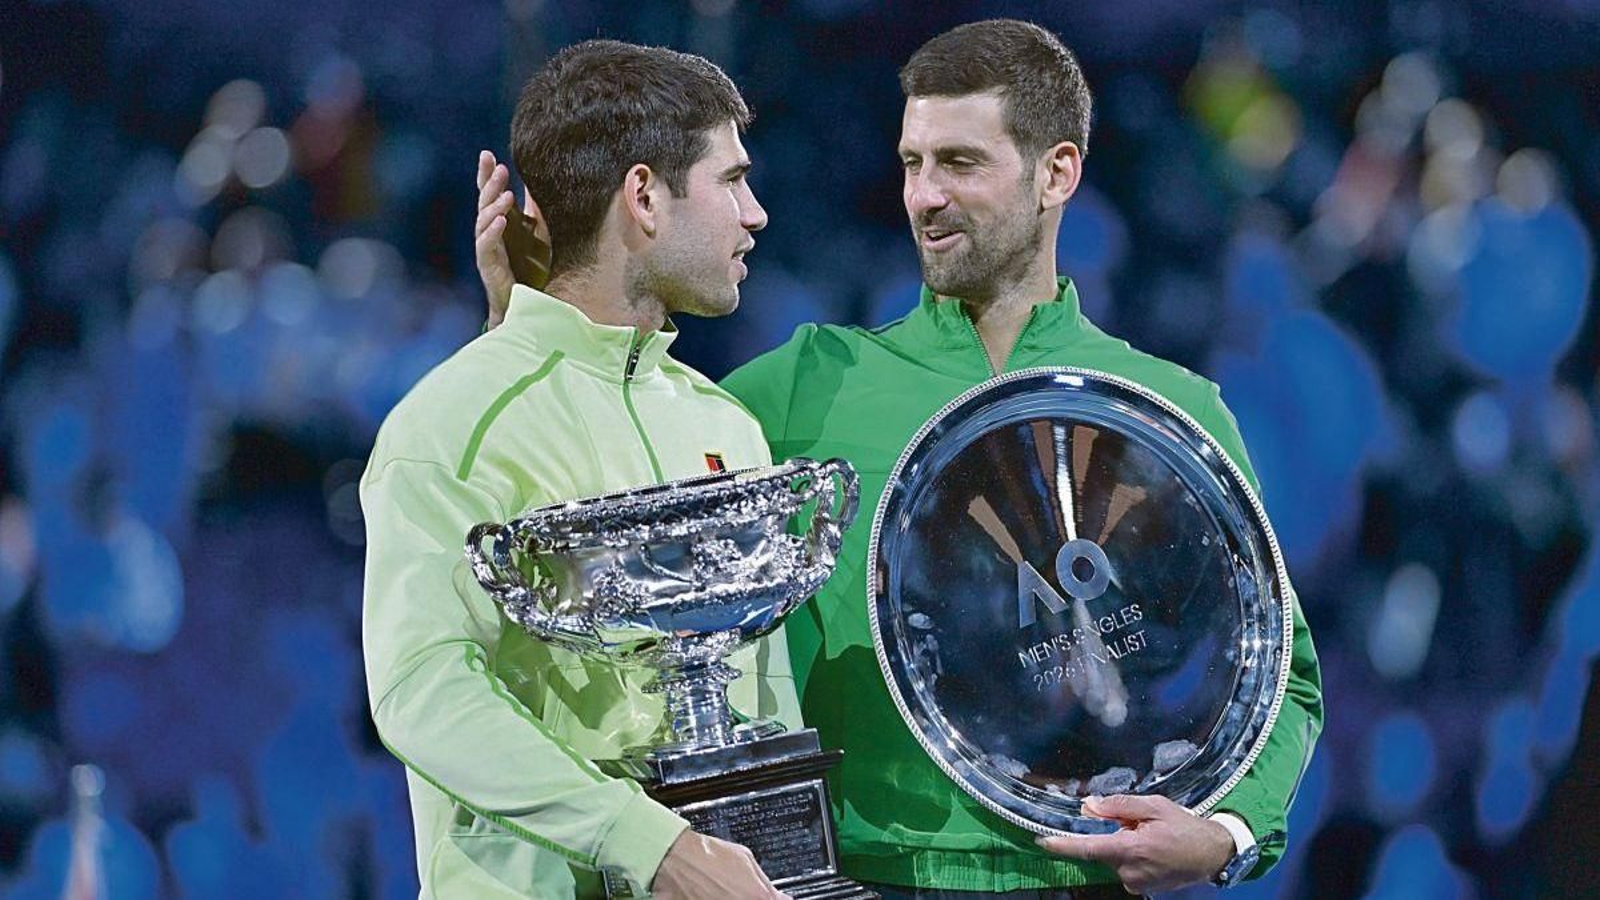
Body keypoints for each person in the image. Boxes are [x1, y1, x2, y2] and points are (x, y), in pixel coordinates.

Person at [475, 20, 1322, 898]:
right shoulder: (805, 388)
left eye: (959, 163)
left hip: (1089, 880)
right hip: (866, 879)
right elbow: (602, 489)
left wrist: (1225, 835)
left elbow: (1280, 675)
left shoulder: (1165, 411)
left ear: (1056, 173)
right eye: (913, 164)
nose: (924, 197)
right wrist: (529, 326)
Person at [362, 40, 800, 899]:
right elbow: (423, 691)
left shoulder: (725, 425)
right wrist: (650, 844)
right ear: (643, 196)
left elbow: (763, 708)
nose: (755, 214)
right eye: (732, 180)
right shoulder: (453, 423)